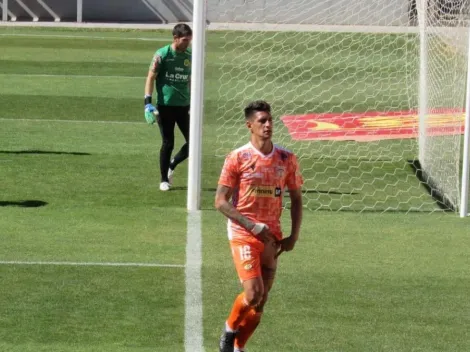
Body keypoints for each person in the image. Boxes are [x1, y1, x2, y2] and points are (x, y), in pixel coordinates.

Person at [215, 100, 303, 352]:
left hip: (272, 236)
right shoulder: (237, 158)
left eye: (270, 120)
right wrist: (251, 225)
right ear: (249, 125)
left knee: (261, 301)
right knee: (253, 293)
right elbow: (220, 202)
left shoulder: (286, 158)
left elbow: (297, 198)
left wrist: (293, 236)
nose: (268, 124)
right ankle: (230, 330)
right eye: (262, 121)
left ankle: (239, 347)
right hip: (243, 232)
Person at [144, 23, 192, 191]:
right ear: (175, 38)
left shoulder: (190, 55)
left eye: (189, 40)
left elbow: (189, 79)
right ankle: (164, 179)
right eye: (185, 40)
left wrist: (193, 101)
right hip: (165, 107)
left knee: (193, 142)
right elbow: (151, 77)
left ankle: (173, 163)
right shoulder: (162, 54)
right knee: (168, 143)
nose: (187, 43)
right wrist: (147, 103)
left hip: (184, 106)